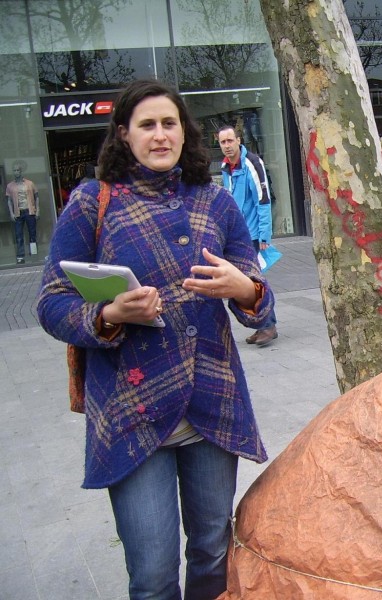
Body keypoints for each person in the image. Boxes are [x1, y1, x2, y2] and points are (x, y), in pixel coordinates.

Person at [36, 79, 274, 600]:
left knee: (213, 553)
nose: (160, 135)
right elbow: (52, 301)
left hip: (213, 403)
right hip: (131, 409)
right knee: (154, 575)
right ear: (124, 134)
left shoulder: (216, 202)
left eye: (169, 124)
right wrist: (108, 313)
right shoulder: (90, 203)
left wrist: (247, 289)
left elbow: (257, 302)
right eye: (147, 125)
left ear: (184, 133)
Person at [218, 124, 279, 347]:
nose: (226, 145)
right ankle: (260, 325)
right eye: (222, 142)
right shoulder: (226, 168)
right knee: (245, 281)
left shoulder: (251, 163)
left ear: (238, 140)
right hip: (236, 233)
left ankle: (267, 326)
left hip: (252, 234)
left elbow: (263, 199)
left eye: (229, 141)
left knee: (255, 280)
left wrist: (264, 235)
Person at [6, 161, 39, 264]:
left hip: (29, 211)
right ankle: (20, 256)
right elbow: (9, 201)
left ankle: (34, 253)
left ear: (21, 171)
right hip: (18, 213)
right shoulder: (10, 186)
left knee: (32, 233)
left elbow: (36, 197)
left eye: (18, 170)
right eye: (14, 170)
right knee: (19, 235)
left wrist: (38, 210)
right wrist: (11, 213)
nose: (16, 172)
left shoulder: (30, 183)